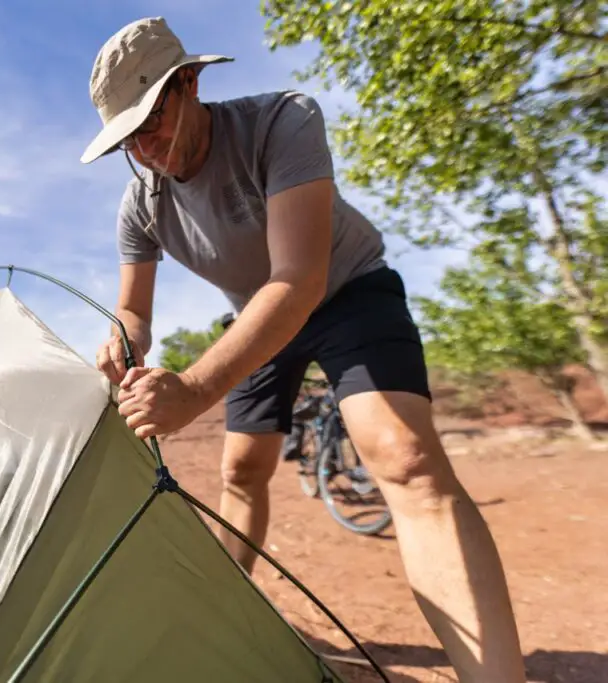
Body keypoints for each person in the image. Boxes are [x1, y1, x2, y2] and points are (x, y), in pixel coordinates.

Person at [81, 16, 526, 683]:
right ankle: (217, 614)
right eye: (128, 138)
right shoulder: (141, 204)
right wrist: (122, 339)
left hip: (346, 289)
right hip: (255, 317)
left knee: (403, 457)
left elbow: (299, 279)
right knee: (241, 471)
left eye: (153, 121)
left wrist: (198, 389)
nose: (146, 147)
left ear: (191, 83)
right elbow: (134, 311)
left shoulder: (281, 121)